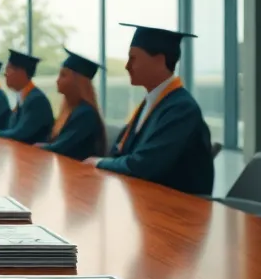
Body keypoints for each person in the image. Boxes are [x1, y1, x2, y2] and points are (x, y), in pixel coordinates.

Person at [84, 24, 214, 195]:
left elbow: (144, 165)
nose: (127, 66)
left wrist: (99, 163)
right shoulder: (152, 102)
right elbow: (121, 150)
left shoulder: (181, 108)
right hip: (144, 196)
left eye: (133, 58)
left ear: (159, 61)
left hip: (178, 207)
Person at [38, 49, 105, 160]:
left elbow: (63, 147)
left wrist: (44, 147)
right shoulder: (71, 110)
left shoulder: (86, 113)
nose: (57, 80)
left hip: (82, 173)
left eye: (63, 75)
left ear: (78, 82)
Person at [0, 49, 54, 145]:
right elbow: (12, 128)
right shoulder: (24, 96)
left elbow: (21, 133)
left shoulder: (36, 99)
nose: (5, 74)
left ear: (21, 73)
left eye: (8, 69)